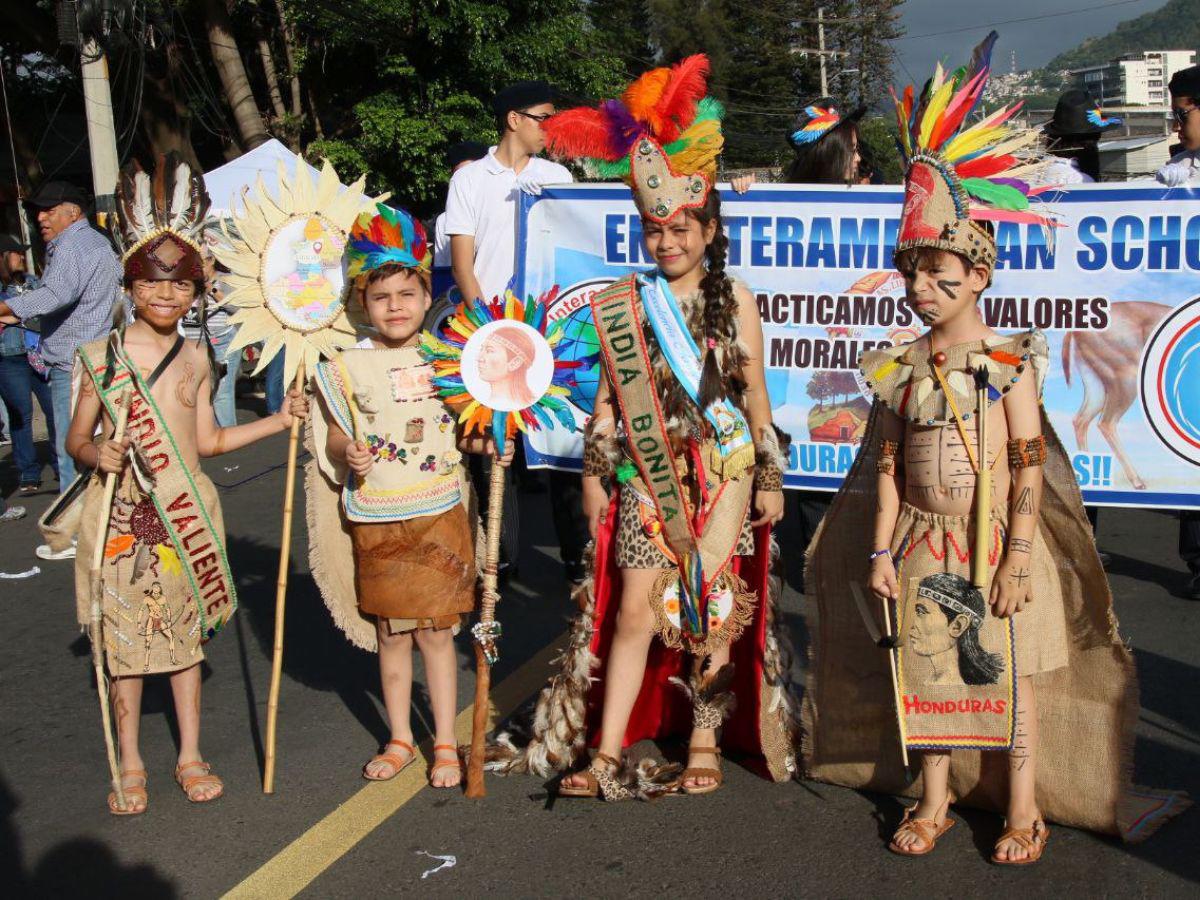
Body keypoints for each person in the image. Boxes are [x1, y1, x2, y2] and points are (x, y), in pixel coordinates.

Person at [805, 31, 1186, 860]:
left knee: (1007, 682)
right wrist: (877, 547)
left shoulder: (1010, 362)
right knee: (930, 677)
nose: (924, 290)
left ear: (980, 276)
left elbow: (1025, 462)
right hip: (921, 544)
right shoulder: (900, 368)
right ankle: (935, 800)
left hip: (994, 548)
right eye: (914, 275)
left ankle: (1022, 808)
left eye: (943, 277)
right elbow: (885, 467)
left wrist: (1017, 555)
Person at [488, 55, 799, 800]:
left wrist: (766, 477)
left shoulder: (738, 301)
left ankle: (702, 738)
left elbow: (756, 401)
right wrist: (595, 476)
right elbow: (604, 401)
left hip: (721, 475)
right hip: (644, 477)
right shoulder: (625, 304)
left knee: (713, 607)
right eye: (654, 230)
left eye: (681, 228)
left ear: (709, 226)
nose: (667, 243)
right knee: (631, 610)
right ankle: (604, 750)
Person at [69, 154, 308, 814]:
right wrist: (99, 454)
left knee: (183, 639)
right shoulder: (100, 358)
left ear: (198, 291)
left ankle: (190, 754)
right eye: (153, 283)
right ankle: (133, 760)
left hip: (186, 515)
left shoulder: (199, 357)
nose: (167, 295)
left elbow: (208, 442)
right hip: (121, 518)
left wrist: (279, 423)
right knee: (124, 644)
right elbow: (75, 441)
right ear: (130, 287)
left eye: (181, 285)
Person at [307, 202, 505, 788]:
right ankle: (398, 737)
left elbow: (469, 432)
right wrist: (349, 453)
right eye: (381, 296)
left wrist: (490, 445)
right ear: (361, 304)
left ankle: (444, 743)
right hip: (378, 517)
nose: (395, 307)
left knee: (436, 635)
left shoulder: (451, 358)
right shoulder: (344, 368)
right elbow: (336, 437)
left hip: (440, 511)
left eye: (407, 294)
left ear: (426, 296)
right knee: (391, 635)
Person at [444, 81, 582, 581]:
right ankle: (499, 557)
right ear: (514, 119)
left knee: (563, 443)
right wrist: (487, 330)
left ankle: (576, 561)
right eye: (546, 117)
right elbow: (464, 264)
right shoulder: (470, 181)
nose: (554, 127)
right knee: (493, 450)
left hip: (550, 329)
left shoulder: (558, 176)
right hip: (491, 329)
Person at [779, 99, 866, 588]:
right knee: (818, 444)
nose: (859, 158)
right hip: (809, 364)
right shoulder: (779, 202)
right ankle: (818, 564)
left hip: (860, 355)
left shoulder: (875, 199)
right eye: (852, 148)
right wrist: (743, 195)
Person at [0, 181, 122, 493]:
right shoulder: (95, 242)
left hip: (74, 363)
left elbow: (55, 294)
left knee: (72, 451)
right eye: (39, 211)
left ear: (73, 212)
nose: (40, 218)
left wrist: (5, 307)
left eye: (48, 211)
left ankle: (74, 535)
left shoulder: (72, 244)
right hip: (95, 357)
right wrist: (12, 314)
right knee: (97, 446)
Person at [0, 234, 57, 494]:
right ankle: (29, 471)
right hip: (10, 357)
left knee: (53, 409)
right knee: (20, 414)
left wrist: (12, 316)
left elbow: (47, 306)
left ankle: (61, 463)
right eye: (16, 252)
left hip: (40, 353)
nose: (22, 256)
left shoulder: (33, 282)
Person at [432, 141, 489, 271]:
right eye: (460, 175)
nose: (466, 181)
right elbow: (443, 270)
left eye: (472, 174)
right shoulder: (444, 221)